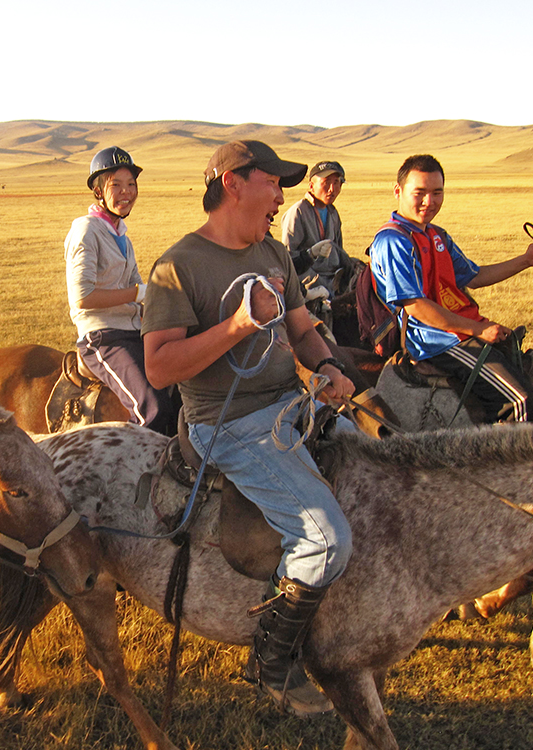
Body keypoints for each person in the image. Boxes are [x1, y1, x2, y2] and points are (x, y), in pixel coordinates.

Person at [142, 140, 355, 716]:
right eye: (273, 182)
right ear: (233, 183)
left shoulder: (274, 252)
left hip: (294, 402)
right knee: (325, 537)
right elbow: (160, 368)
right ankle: (272, 660)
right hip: (228, 424)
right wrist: (238, 324)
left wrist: (329, 365)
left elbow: (303, 328)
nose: (282, 195)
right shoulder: (178, 266)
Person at [368, 154, 533, 422]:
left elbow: (474, 276)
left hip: (459, 330)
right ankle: (502, 463)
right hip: (433, 341)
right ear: (398, 191)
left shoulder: (436, 235)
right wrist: (478, 329)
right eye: (419, 193)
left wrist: (526, 260)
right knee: (518, 401)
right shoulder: (392, 241)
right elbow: (415, 305)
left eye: (437, 192)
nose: (429, 202)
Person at [64, 146, 173, 434]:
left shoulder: (122, 235)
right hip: (103, 337)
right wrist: (137, 294)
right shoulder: (86, 230)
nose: (126, 192)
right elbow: (82, 297)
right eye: (116, 185)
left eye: (131, 185)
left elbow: (138, 288)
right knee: (152, 408)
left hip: (133, 330)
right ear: (98, 191)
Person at [279, 160, 356, 298]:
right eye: (326, 182)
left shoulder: (333, 213)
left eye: (337, 182)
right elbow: (289, 260)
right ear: (311, 186)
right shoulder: (298, 212)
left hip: (333, 277)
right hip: (310, 281)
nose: (332, 189)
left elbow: (339, 249)